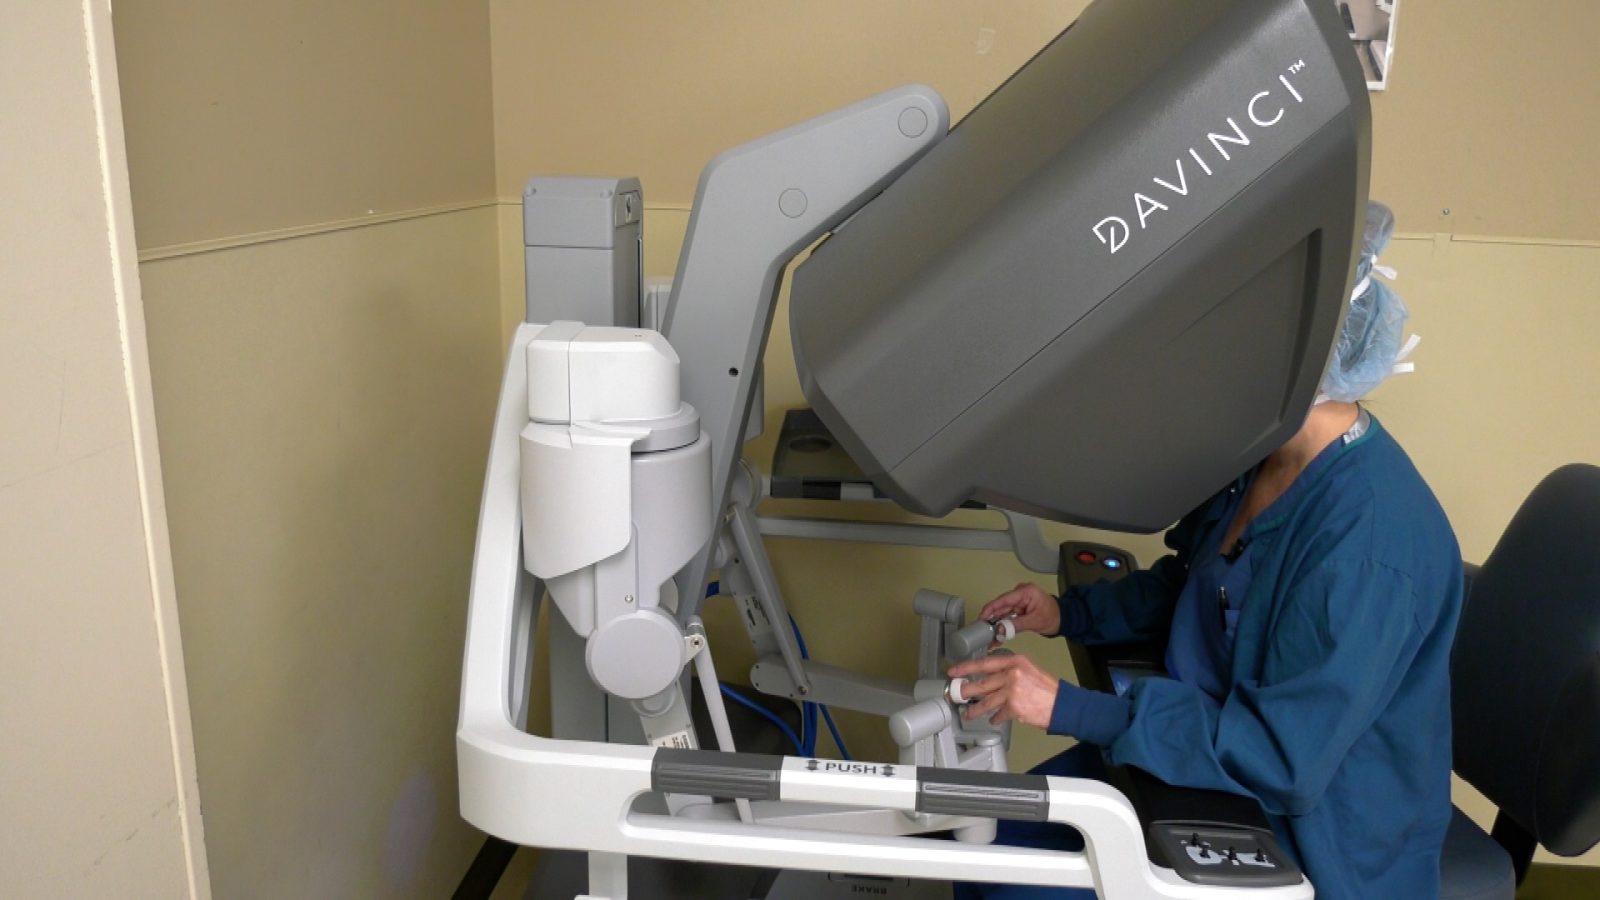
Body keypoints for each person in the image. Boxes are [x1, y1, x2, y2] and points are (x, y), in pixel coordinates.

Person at [951, 203, 1462, 900]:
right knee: (988, 845)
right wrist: (1067, 614)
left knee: (1016, 888)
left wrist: (1066, 707)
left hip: (1307, 830)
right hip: (1194, 753)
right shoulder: (1263, 458)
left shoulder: (1365, 546)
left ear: (1297, 354)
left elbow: (1281, 759)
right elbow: (1198, 584)